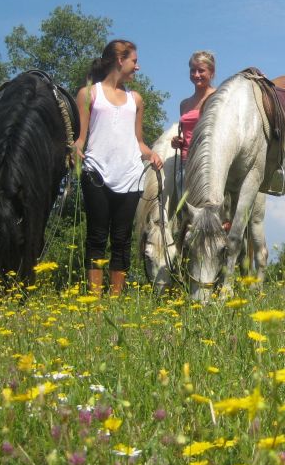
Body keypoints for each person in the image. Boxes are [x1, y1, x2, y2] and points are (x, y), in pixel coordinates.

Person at [74, 39, 163, 296]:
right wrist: (75, 147)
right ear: (119, 60)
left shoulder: (135, 99)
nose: (137, 67)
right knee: (97, 237)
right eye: (134, 61)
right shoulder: (89, 93)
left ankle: (115, 300)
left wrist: (152, 155)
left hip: (130, 176)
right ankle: (94, 301)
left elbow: (139, 142)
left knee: (122, 241)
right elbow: (82, 137)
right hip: (96, 172)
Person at [170, 50, 217, 163]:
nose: (196, 75)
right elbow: (187, 136)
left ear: (212, 72)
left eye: (201, 71)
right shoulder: (184, 104)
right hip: (186, 162)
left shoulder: (219, 97)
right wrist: (178, 142)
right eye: (193, 70)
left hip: (210, 163)